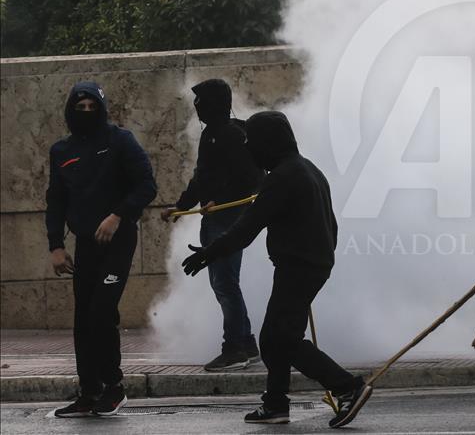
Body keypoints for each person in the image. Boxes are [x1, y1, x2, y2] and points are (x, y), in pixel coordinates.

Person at [181, 111, 371, 427]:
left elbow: (248, 226)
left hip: (299, 267)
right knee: (278, 337)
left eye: (251, 142)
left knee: (278, 339)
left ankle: (347, 387)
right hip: (310, 265)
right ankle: (276, 404)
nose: (249, 150)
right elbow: (331, 225)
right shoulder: (307, 169)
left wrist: (209, 254)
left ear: (267, 142)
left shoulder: (282, 177)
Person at [46, 82, 158, 418]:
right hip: (85, 246)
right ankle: (89, 391)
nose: (85, 113)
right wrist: (55, 245)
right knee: (83, 320)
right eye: (79, 108)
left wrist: (118, 215)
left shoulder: (119, 141)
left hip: (118, 242)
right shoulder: (61, 151)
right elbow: (56, 200)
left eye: (91, 107)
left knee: (101, 312)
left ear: (102, 108)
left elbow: (147, 186)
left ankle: (114, 387)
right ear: (70, 110)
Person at [161, 79, 263, 371]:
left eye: (201, 101)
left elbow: (248, 178)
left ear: (215, 103)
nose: (197, 108)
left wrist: (219, 200)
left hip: (228, 218)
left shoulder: (230, 135)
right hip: (216, 218)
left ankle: (234, 349)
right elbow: (201, 178)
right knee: (224, 283)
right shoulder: (211, 136)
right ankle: (245, 343)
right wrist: (182, 206)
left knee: (225, 283)